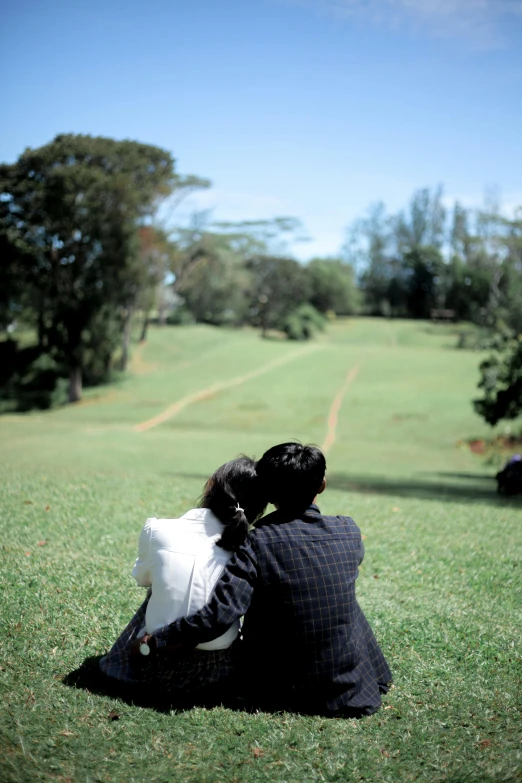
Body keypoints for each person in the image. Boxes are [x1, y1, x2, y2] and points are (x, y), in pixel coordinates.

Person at [138, 442, 392, 717]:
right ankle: (378, 673)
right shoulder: (348, 531)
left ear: (269, 495)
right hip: (348, 690)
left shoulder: (258, 542)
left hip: (280, 690)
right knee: (337, 597)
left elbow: (220, 615)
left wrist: (156, 640)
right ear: (322, 485)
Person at [99, 456, 267, 707]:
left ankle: (125, 658)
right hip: (221, 675)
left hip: (155, 667)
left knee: (156, 590)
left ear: (211, 485)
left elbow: (142, 579)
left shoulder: (157, 529)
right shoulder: (252, 548)